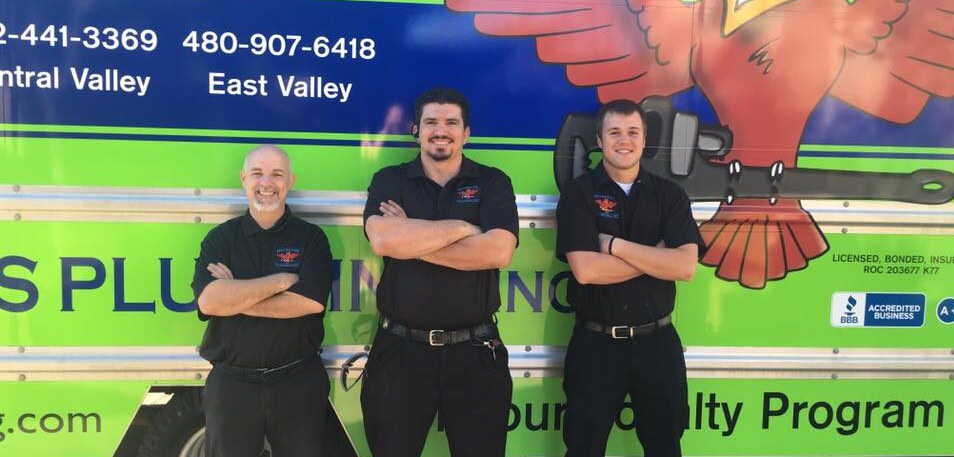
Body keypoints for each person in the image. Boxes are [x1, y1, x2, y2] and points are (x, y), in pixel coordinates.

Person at [361, 88, 519, 456]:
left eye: (451, 122)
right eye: (431, 122)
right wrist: (466, 229)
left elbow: (498, 251)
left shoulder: (493, 182)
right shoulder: (390, 180)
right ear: (416, 130)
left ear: (467, 133)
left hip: (475, 353)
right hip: (400, 352)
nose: (440, 130)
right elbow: (384, 241)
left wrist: (412, 239)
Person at [555, 100, 705, 457]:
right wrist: (656, 256)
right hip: (595, 345)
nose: (625, 140)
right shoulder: (579, 194)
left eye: (633, 132)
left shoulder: (669, 195)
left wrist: (616, 246)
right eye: (615, 132)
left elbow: (685, 267)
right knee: (583, 448)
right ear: (599, 140)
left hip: (658, 344)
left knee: (665, 447)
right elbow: (586, 270)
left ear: (644, 139)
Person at [191, 144, 333, 457]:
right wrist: (280, 282)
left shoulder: (311, 238)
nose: (266, 182)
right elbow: (209, 303)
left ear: (290, 181)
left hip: (297, 382)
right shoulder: (220, 239)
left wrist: (235, 296)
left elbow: (309, 304)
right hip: (232, 385)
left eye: (276, 174)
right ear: (243, 178)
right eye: (257, 173)